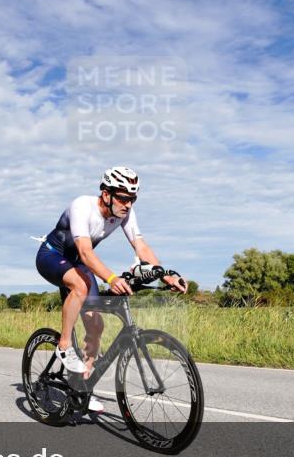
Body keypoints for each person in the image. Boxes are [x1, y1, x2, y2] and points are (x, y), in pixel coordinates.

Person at [35, 167, 186, 412]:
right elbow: (85, 252)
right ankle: (63, 345)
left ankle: (82, 386)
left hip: (79, 263)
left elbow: (141, 247)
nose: (128, 204)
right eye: (124, 198)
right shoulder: (82, 206)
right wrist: (112, 278)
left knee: (96, 326)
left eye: (132, 199)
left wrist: (164, 274)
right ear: (106, 194)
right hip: (52, 256)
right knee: (80, 287)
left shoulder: (125, 214)